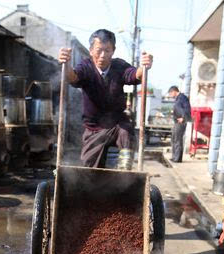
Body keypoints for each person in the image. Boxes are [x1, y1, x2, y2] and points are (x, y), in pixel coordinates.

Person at [59, 29, 153, 170]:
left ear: (113, 51)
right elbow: (72, 77)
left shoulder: (119, 66)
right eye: (98, 50)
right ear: (91, 51)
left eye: (107, 50)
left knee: (126, 131)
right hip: (94, 128)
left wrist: (144, 66)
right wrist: (65, 64)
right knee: (89, 171)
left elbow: (135, 75)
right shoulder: (86, 67)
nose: (102, 55)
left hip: (116, 124)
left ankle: (124, 175)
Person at [167, 85, 191, 163]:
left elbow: (187, 109)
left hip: (181, 122)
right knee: (174, 139)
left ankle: (177, 158)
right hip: (176, 121)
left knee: (177, 140)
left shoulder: (182, 97)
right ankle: (175, 157)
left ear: (174, 91)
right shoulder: (178, 98)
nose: (170, 96)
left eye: (170, 94)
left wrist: (183, 118)